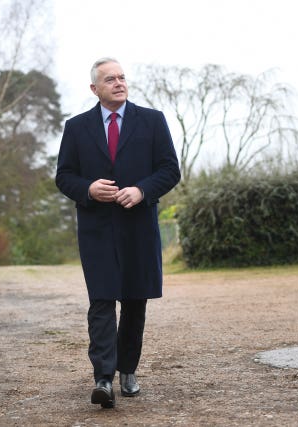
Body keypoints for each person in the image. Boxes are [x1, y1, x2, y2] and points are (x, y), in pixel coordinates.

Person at [55, 57, 180, 408]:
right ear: (94, 89)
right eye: (110, 79)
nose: (119, 83)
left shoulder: (152, 121)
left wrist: (142, 190)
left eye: (122, 77)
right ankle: (103, 379)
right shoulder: (77, 127)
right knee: (101, 301)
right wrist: (89, 189)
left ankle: (128, 371)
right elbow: (64, 176)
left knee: (135, 301)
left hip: (138, 227)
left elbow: (170, 170)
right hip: (96, 229)